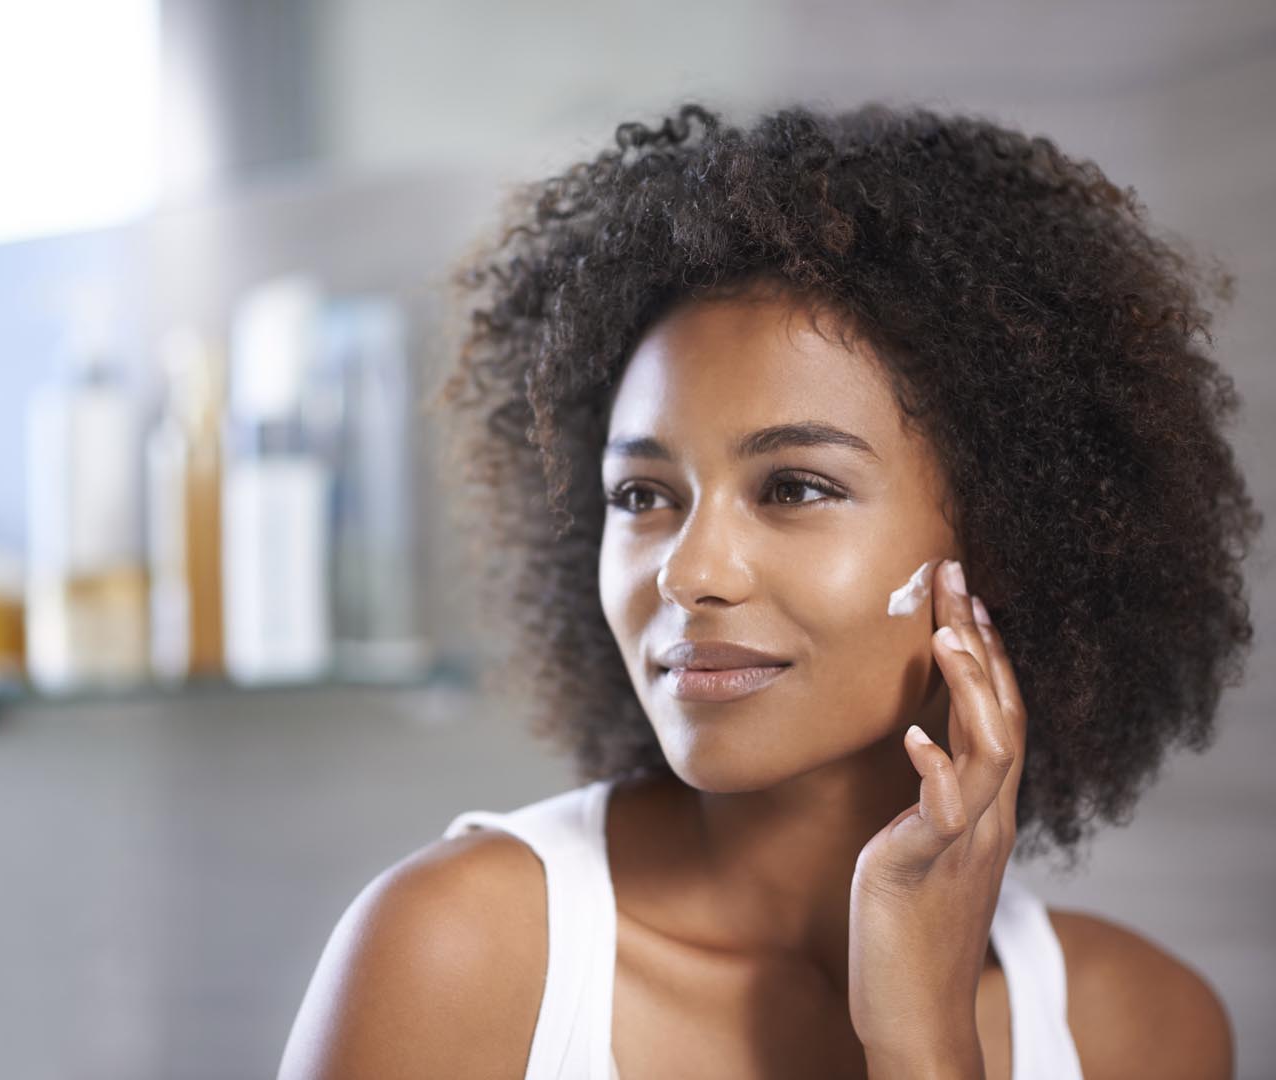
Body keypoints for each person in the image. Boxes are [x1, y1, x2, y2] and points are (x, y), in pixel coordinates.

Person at [277, 102, 1256, 1079]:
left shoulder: (1141, 1031)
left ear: (1009, 537)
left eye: (793, 488)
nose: (689, 573)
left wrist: (922, 1042)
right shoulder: (459, 957)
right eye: (642, 495)